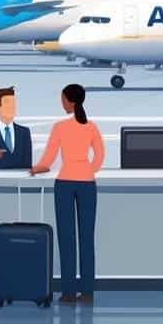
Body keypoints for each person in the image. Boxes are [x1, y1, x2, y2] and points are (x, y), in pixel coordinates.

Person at [31, 84, 105, 304]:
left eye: (63, 99)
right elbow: (100, 155)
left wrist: (35, 168)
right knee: (86, 238)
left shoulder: (60, 127)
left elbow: (48, 158)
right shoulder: (91, 127)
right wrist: (87, 169)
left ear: (69, 101)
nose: (61, 103)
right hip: (87, 183)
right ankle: (88, 291)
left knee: (66, 238)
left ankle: (69, 292)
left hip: (64, 182)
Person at [0, 87, 33, 170]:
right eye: (8, 105)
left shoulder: (24, 132)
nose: (12, 108)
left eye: (14, 104)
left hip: (19, 180)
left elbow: (27, 165)